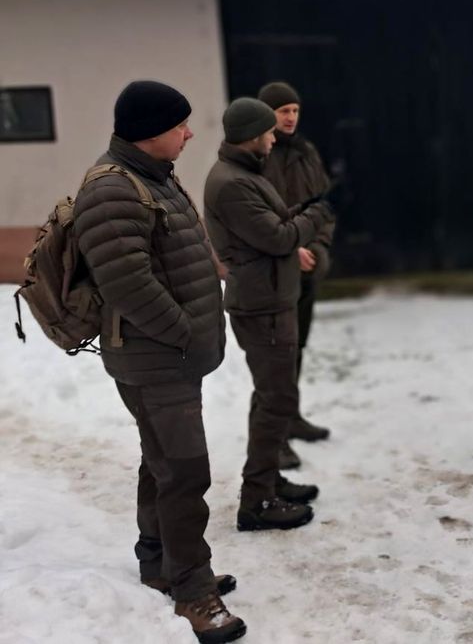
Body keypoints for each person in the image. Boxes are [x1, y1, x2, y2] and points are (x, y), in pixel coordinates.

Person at [73, 81, 245, 643]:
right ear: (150, 131)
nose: (190, 134)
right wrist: (185, 334)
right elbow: (129, 285)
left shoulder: (151, 179)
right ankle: (195, 593)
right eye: (180, 125)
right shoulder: (112, 191)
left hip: (167, 357)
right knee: (186, 471)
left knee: (162, 462)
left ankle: (159, 562)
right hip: (155, 360)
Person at [204, 98, 334, 531]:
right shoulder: (232, 183)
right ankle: (256, 500)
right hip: (261, 305)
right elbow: (277, 237)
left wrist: (297, 224)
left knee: (271, 395)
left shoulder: (244, 174)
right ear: (252, 135)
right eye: (268, 132)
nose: (275, 137)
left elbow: (272, 230)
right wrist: (314, 216)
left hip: (272, 298)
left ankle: (268, 481)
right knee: (276, 399)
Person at [257, 81, 336, 470]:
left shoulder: (307, 152)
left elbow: (323, 206)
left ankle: (292, 416)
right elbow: (258, 217)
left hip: (307, 267)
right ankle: (276, 434)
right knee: (278, 354)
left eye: (294, 110)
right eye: (282, 110)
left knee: (298, 346)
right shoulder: (258, 155)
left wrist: (317, 249)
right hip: (277, 268)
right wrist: (291, 248)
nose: (290, 118)